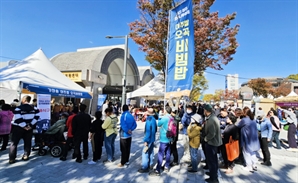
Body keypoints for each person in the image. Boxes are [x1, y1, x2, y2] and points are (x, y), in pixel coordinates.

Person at [9, 95, 40, 164]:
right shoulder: (35, 108)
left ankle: (12, 158)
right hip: (29, 127)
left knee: (14, 143)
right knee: (27, 142)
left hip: (18, 128)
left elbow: (18, 118)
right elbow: (37, 116)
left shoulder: (18, 108)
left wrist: (24, 126)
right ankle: (26, 155)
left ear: (24, 100)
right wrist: (30, 125)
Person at [150, 106, 173, 176]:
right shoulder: (172, 118)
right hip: (170, 138)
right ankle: (166, 166)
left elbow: (158, 124)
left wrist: (160, 116)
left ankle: (158, 169)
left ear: (166, 111)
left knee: (161, 153)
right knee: (168, 153)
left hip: (164, 138)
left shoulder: (165, 118)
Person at [236, 107, 260, 172]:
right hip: (254, 138)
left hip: (246, 138)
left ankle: (248, 166)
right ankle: (254, 164)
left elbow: (237, 126)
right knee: (252, 152)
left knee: (246, 152)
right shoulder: (253, 119)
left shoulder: (244, 120)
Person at [203, 104, 222, 183]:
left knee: (212, 161)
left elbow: (212, 133)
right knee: (213, 160)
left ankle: (213, 178)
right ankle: (212, 173)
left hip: (212, 143)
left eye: (204, 110)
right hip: (214, 142)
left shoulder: (211, 120)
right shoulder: (212, 117)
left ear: (207, 111)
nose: (203, 111)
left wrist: (205, 139)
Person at [138, 107, 157, 173]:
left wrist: (146, 140)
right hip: (152, 138)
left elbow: (148, 131)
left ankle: (145, 167)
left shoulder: (149, 120)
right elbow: (156, 129)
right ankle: (151, 164)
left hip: (148, 139)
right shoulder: (154, 119)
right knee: (151, 151)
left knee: (145, 152)